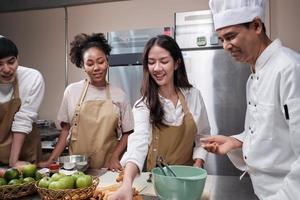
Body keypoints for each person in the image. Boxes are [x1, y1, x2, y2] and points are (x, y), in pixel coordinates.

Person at [201, 0, 300, 199]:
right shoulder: (252, 78)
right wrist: (235, 142)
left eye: (230, 36)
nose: (226, 46)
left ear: (256, 25)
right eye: (221, 39)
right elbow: (266, 131)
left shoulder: (289, 69)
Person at [109, 35, 211, 200]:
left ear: (176, 63)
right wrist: (127, 184)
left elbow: (203, 136)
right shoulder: (144, 105)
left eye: (164, 61)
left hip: (188, 180)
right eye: (151, 62)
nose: (156, 68)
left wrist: (197, 168)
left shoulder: (193, 96)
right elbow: (137, 146)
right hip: (157, 183)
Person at [38, 33, 134, 170]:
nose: (96, 68)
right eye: (90, 63)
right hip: (76, 170)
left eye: (100, 62)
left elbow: (127, 133)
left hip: (107, 168)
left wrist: (114, 157)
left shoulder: (119, 95)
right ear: (83, 66)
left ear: (107, 61)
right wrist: (51, 161)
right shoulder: (71, 91)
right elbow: (65, 131)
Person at [0, 35, 45, 167]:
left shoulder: (32, 78)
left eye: (11, 61)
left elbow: (23, 119)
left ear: (18, 58)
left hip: (25, 154)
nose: (7, 69)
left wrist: (13, 162)